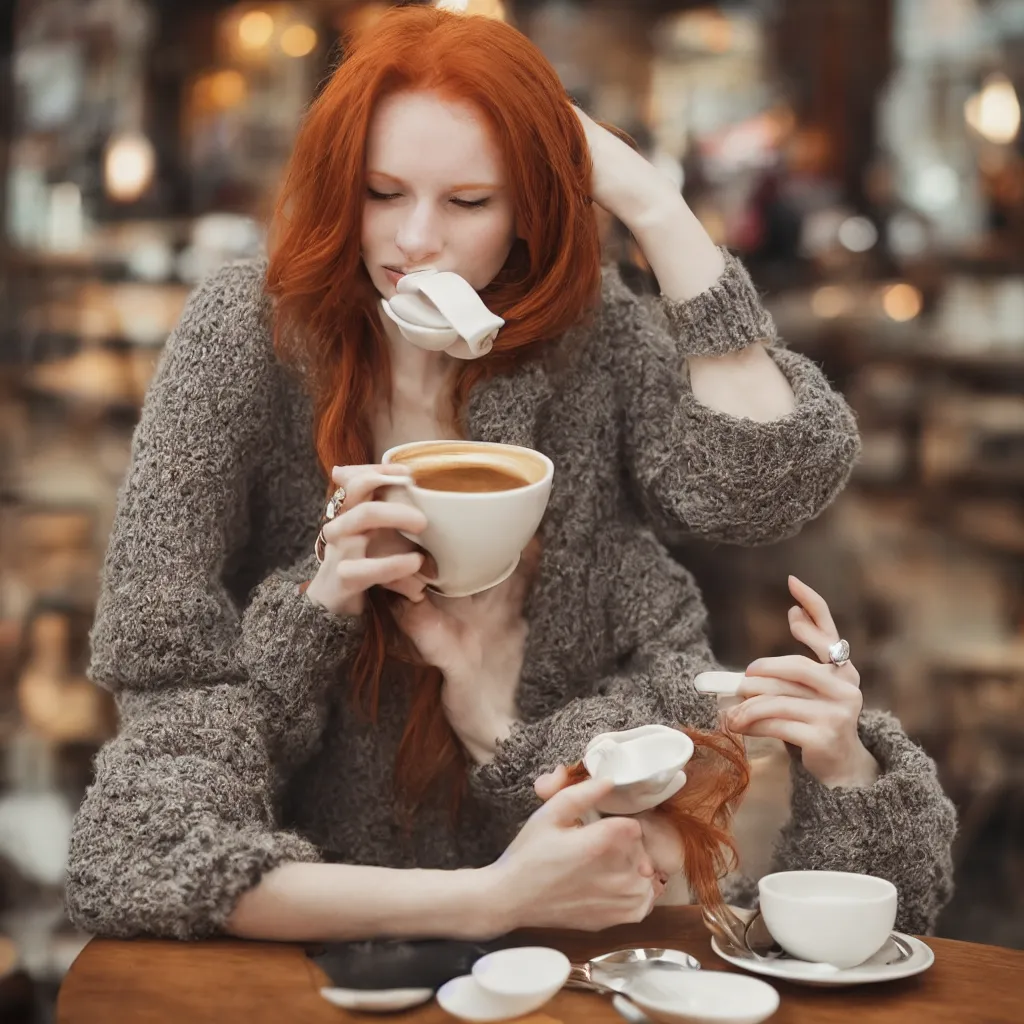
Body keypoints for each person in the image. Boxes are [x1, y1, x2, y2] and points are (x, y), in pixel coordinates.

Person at [65, 7, 955, 942]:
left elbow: (764, 480)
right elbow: (155, 768)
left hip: (561, 944)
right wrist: (316, 614)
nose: (416, 242)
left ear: (529, 208)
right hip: (301, 943)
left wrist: (650, 203)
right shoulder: (245, 336)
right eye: (382, 191)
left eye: (469, 201)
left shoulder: (588, 343)